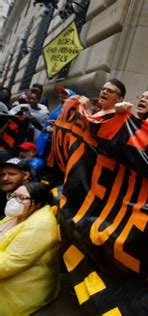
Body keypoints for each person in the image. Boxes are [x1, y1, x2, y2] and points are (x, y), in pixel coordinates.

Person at [0, 182, 60, 315]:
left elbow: (7, 265)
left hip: (17, 295)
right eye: (13, 195)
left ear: (37, 204)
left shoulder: (39, 226)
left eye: (21, 198)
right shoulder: (17, 215)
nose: (14, 201)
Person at [35, 87, 76, 159]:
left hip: (57, 142)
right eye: (60, 97)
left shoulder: (72, 111)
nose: (61, 99)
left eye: (64, 97)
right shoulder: (59, 107)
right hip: (47, 137)